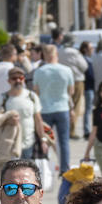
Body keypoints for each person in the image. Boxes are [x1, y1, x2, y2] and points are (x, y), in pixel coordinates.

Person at [34, 44, 77, 174]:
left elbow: (36, 91)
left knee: (44, 139)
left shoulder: (39, 71)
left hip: (45, 109)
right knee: (64, 141)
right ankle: (64, 168)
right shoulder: (67, 70)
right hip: (62, 108)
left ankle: (44, 168)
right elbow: (71, 91)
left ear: (44, 55)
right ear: (56, 54)